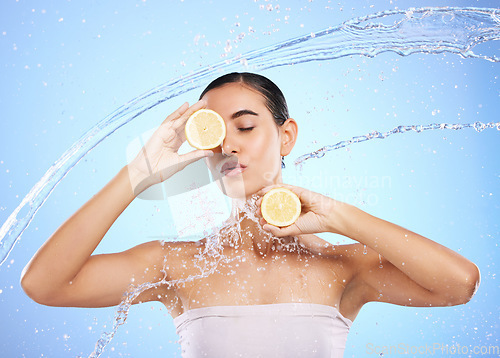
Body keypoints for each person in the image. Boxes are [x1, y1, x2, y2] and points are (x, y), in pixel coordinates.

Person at [20, 72, 480, 357]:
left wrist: (340, 216)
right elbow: (44, 284)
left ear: (286, 136)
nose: (229, 144)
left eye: (245, 126)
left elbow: (459, 284)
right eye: (214, 133)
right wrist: (136, 175)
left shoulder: (342, 267)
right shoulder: (176, 265)